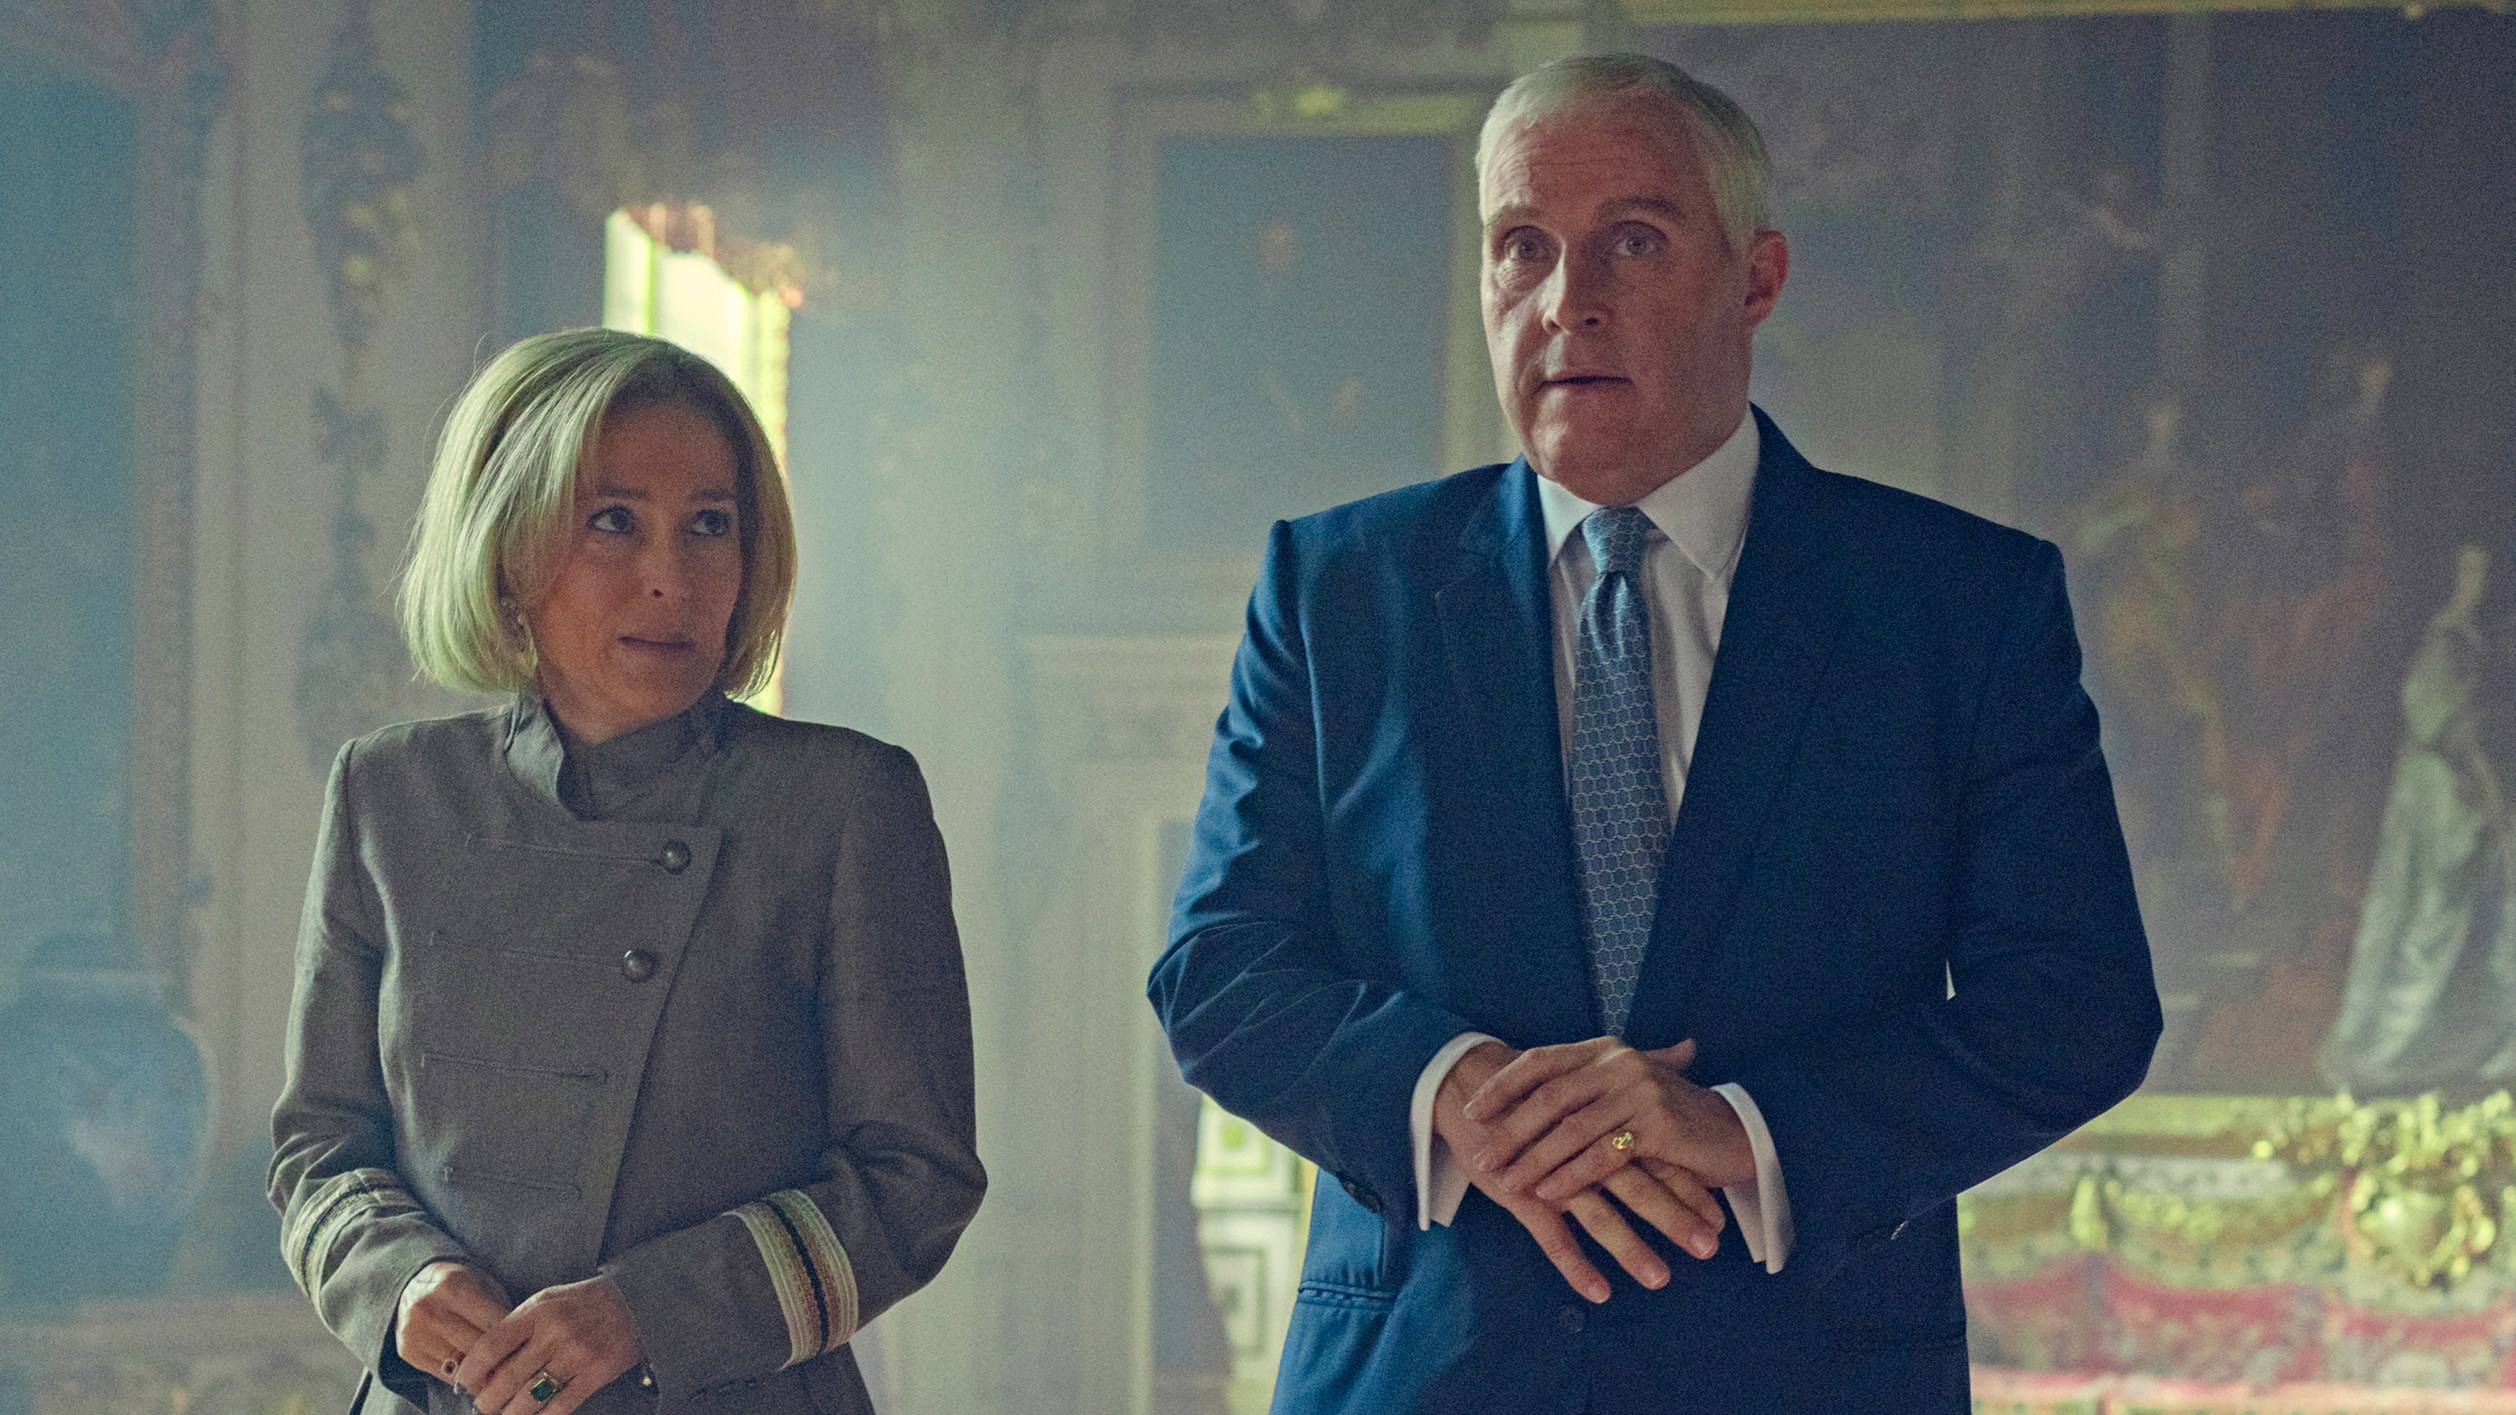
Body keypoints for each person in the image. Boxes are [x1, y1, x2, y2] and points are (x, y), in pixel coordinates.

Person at [1148, 53, 2159, 1413]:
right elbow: (1218, 968)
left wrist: (1745, 1129)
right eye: (1522, 246)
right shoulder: (1337, 590)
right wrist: (1455, 1093)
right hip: (1418, 1371)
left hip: (1806, 1374)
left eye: (1632, 240)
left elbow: (2077, 1004)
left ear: (1755, 278)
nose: (1567, 298)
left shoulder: (1958, 604)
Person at [270, 329, 984, 1415]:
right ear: (506, 546)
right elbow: (319, 1146)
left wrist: (646, 1310)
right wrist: (402, 1280)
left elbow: (915, 1174)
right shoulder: (389, 793)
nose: (671, 577)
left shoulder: (844, 803)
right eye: (614, 521)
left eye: (710, 524)